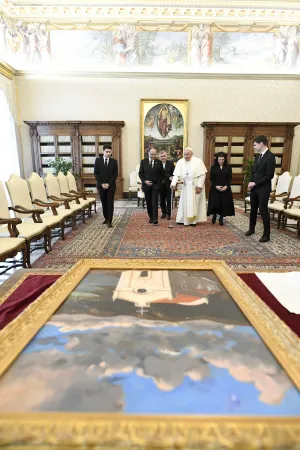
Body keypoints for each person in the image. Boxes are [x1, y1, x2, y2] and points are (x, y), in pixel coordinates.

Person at [245, 135, 276, 243]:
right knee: (253, 209)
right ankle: (251, 229)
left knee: (263, 211)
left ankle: (266, 235)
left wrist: (255, 183)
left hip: (263, 188)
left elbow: (269, 176)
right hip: (254, 188)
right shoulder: (258, 157)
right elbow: (254, 172)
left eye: (255, 145)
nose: (254, 147)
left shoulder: (270, 156)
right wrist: (250, 181)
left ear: (261, 144)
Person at [171, 147, 207, 226]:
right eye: (184, 154)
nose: (186, 156)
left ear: (191, 154)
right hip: (186, 185)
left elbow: (202, 175)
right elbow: (176, 174)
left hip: (195, 185)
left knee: (194, 204)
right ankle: (182, 219)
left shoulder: (198, 161)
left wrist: (200, 186)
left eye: (187, 154)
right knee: (184, 203)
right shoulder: (180, 162)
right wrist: (173, 184)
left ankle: (193, 221)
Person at [207, 151, 235, 226]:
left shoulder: (228, 167)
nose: (221, 161)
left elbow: (230, 178)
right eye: (220, 159)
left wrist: (226, 186)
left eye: (223, 159)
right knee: (215, 203)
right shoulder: (213, 167)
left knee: (223, 204)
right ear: (217, 159)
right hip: (215, 188)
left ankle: (221, 218)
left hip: (225, 188)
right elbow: (211, 178)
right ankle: (214, 215)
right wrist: (216, 186)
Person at [94, 144, 118, 228]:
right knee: (104, 203)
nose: (108, 153)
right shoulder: (98, 160)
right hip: (101, 186)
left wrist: (108, 184)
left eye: (109, 152)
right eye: (106, 152)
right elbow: (96, 174)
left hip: (111, 186)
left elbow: (115, 174)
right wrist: (102, 184)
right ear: (103, 151)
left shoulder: (114, 161)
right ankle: (106, 218)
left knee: (110, 203)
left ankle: (110, 221)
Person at [139, 147, 164, 225]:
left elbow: (162, 173)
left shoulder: (159, 162)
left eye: (154, 154)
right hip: (146, 186)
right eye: (151, 154)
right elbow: (140, 173)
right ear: (148, 154)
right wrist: (145, 181)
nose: (153, 156)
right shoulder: (143, 162)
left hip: (155, 186)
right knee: (149, 202)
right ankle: (151, 217)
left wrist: (169, 177)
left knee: (155, 202)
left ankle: (155, 219)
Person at [159, 150, 175, 220]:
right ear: (159, 157)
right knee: (162, 200)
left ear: (166, 156)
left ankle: (169, 214)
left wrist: (172, 178)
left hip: (168, 184)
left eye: (164, 156)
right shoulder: (157, 163)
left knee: (169, 200)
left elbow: (174, 173)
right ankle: (164, 213)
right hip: (160, 185)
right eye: (161, 156)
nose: (163, 158)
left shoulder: (170, 163)